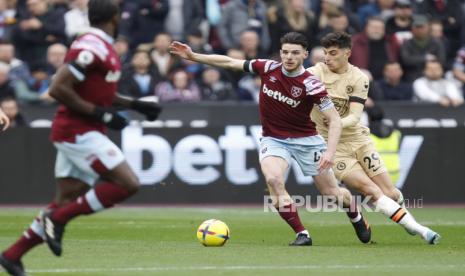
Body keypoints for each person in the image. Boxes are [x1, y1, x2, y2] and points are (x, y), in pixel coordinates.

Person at [0, 1, 162, 275]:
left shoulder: (103, 46)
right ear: (114, 18)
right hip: (77, 131)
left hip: (82, 130)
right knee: (127, 183)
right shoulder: (90, 46)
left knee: (65, 199)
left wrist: (136, 105)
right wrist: (102, 115)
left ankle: (12, 256)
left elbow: (98, 93)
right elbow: (57, 88)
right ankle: (57, 220)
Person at [170, 31, 371, 246]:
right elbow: (230, 62)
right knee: (274, 180)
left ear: (305, 54)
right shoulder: (267, 68)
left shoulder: (311, 84)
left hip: (307, 140)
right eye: (285, 52)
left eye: (295, 53)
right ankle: (302, 233)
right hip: (274, 139)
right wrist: (193, 56)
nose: (289, 57)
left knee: (331, 192)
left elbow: (335, 120)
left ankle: (356, 217)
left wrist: (329, 153)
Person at [307, 32, 440, 244]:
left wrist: (336, 123)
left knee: (391, 193)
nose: (327, 58)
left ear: (347, 53)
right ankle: (420, 229)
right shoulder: (315, 73)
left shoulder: (359, 78)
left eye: (332, 53)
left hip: (358, 139)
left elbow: (355, 116)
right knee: (371, 190)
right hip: (333, 146)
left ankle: (402, 214)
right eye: (325, 53)